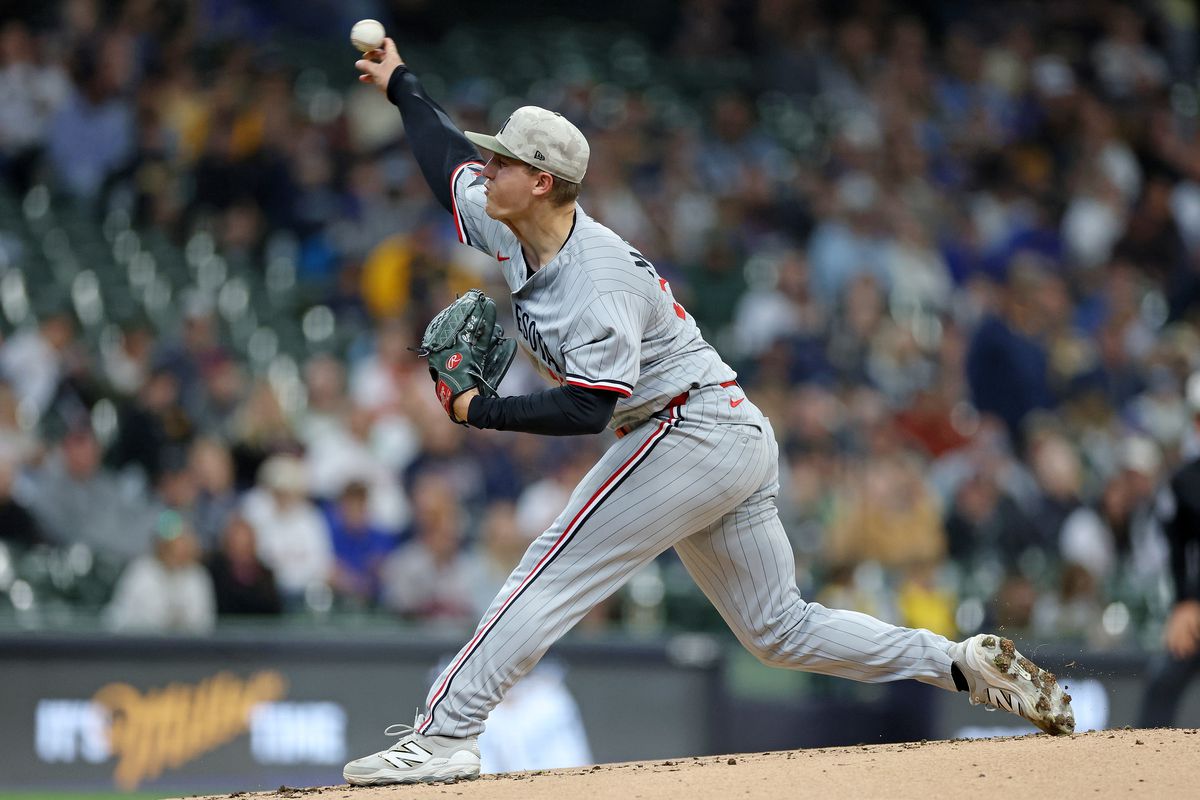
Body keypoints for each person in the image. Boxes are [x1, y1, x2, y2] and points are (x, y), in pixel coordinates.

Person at [343, 40, 1075, 786]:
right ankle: (958, 664)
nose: (486, 167)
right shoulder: (511, 217)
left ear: (540, 182)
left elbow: (589, 409)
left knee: (549, 571)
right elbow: (445, 165)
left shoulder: (596, 282)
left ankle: (445, 735)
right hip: (723, 428)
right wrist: (401, 82)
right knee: (777, 629)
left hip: (686, 429)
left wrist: (482, 410)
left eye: (502, 161)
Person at [1139, 375, 1200, 726]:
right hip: (1196, 607)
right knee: (1162, 684)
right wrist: (1184, 603)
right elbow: (1179, 548)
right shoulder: (1185, 480)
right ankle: (1145, 763)